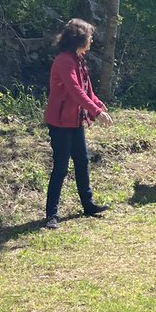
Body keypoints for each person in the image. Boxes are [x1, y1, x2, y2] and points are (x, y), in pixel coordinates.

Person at [43, 19, 113, 230]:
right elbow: (74, 90)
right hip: (60, 123)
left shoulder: (79, 59)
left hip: (75, 121)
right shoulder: (64, 61)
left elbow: (87, 89)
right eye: (89, 37)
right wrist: (96, 111)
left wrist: (99, 104)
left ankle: (88, 205)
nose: (92, 40)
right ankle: (51, 214)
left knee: (82, 161)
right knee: (61, 167)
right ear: (79, 39)